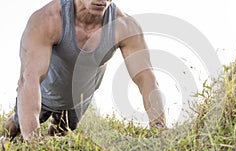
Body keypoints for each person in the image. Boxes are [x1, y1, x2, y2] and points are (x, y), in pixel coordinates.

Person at [3, 0, 166, 141]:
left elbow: (146, 79)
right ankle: (6, 137)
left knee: (61, 133)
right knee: (17, 126)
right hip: (41, 94)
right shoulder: (48, 19)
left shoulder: (124, 26)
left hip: (78, 101)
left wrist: (159, 126)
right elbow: (29, 79)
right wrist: (33, 141)